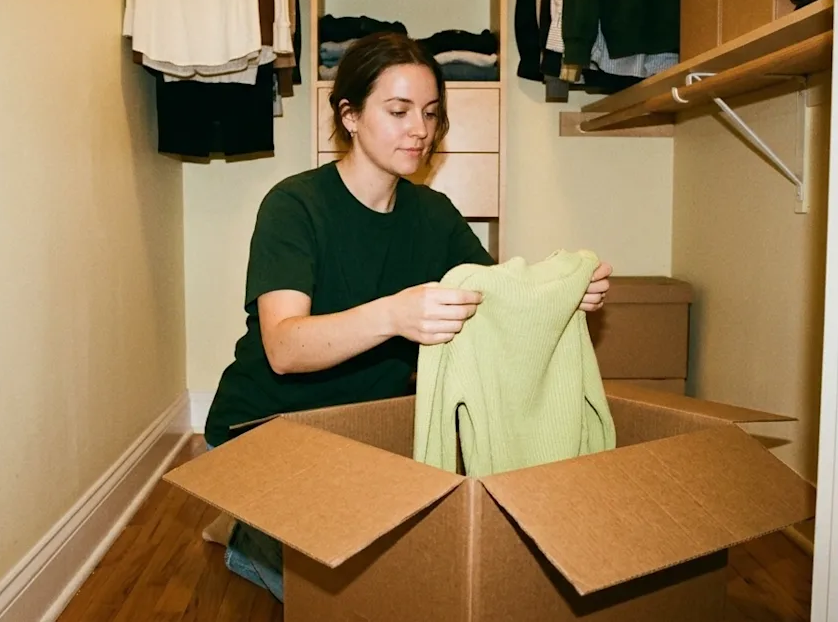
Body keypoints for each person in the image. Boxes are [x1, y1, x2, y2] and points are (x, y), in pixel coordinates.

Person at [199, 31, 612, 601]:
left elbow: (492, 295)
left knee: (419, 575)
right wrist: (395, 315)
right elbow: (285, 348)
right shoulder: (294, 206)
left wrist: (563, 292)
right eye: (398, 111)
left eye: (430, 113)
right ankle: (245, 528)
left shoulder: (433, 214)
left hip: (363, 438)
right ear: (349, 115)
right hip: (264, 435)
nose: (419, 129)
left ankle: (261, 534)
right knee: (355, 596)